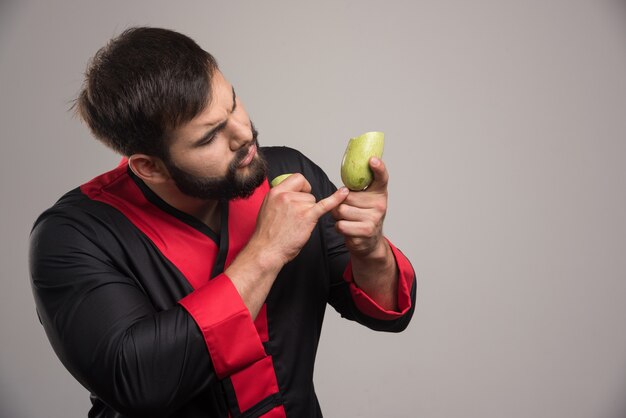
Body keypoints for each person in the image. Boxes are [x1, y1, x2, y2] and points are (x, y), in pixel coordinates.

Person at [29, 27, 417, 418]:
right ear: (149, 166)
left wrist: (371, 250)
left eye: (233, 104)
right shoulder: (74, 237)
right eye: (210, 136)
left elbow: (383, 311)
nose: (243, 134)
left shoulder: (289, 175)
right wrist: (265, 253)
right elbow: (138, 382)